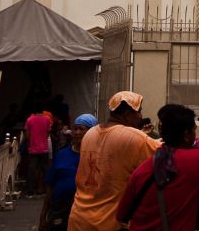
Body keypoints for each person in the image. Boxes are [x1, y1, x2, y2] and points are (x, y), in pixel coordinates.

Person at [116, 104, 199, 231]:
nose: (195, 134)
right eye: (194, 130)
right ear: (186, 135)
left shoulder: (142, 170)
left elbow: (122, 215)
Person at [68, 91, 161, 231]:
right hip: (106, 223)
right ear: (126, 115)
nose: (141, 116)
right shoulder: (133, 137)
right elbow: (166, 153)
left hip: (78, 218)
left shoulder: (90, 133)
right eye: (139, 111)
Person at [40, 113, 97, 231]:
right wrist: (43, 216)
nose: (76, 132)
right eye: (75, 128)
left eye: (81, 129)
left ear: (92, 132)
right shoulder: (62, 154)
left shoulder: (96, 157)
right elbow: (50, 186)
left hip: (86, 213)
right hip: (59, 211)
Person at [24, 101, 54, 196]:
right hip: (44, 149)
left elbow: (27, 135)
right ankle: (47, 190)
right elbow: (48, 133)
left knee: (31, 170)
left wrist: (30, 143)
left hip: (33, 149)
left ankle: (30, 192)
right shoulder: (47, 119)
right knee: (45, 170)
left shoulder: (29, 120)